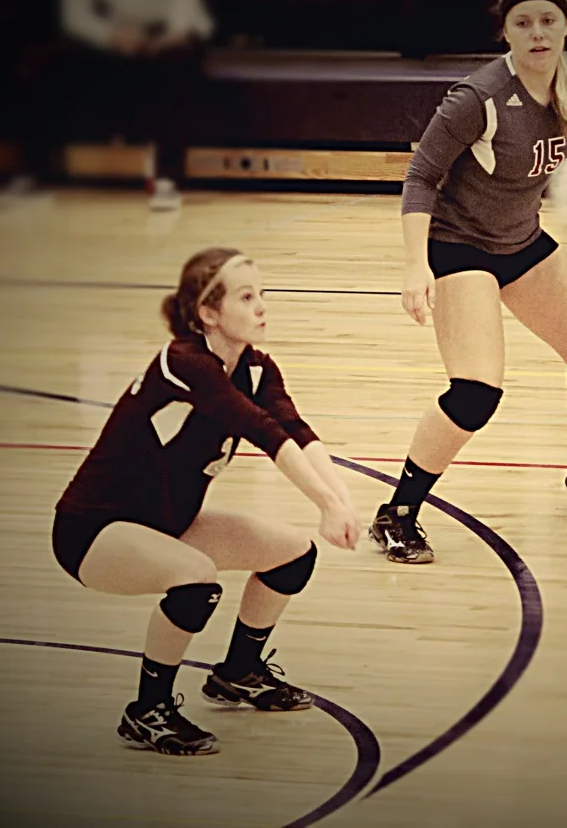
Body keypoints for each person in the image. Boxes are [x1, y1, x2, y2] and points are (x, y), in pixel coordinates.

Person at [368, 0, 567, 566]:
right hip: (459, 247)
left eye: (548, 21)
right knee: (476, 393)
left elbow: (555, 159)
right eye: (523, 23)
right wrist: (414, 265)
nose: (538, 33)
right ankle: (396, 513)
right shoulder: (476, 97)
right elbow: (420, 176)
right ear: (504, 32)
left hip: (521, 240)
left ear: (566, 27)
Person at [52, 247, 360, 755]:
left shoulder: (256, 369)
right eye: (246, 297)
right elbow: (261, 430)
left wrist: (340, 501)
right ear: (208, 313)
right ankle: (148, 711)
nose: (262, 306)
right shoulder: (184, 362)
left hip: (168, 521)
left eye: (262, 294)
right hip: (94, 532)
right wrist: (325, 502)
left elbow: (295, 430)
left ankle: (238, 673)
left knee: (294, 555)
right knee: (196, 581)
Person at [48, 0, 215, 210]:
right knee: (57, 65)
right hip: (125, 33)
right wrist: (111, 35)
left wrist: (175, 28)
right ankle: (47, 174)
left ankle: (168, 178)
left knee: (173, 72)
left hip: (179, 28)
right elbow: (75, 14)